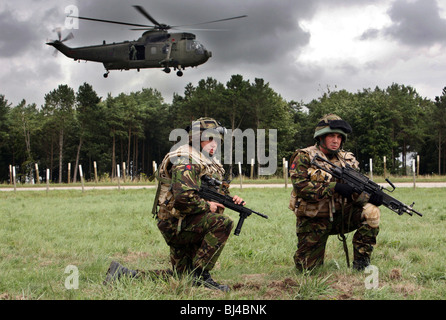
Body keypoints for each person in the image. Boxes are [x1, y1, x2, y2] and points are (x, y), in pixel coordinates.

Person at [105, 117, 243, 292]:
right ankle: (200, 276)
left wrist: (231, 200)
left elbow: (212, 193)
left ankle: (123, 274)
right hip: (177, 224)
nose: (213, 144)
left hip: (186, 222)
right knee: (223, 223)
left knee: (181, 277)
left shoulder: (204, 160)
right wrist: (209, 207)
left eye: (216, 140)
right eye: (209, 139)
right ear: (196, 138)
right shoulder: (186, 160)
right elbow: (183, 199)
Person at [288, 114, 382, 271]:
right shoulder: (304, 156)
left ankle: (361, 264)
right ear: (321, 137)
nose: (335, 140)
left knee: (371, 212)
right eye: (331, 135)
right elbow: (301, 187)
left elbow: (355, 193)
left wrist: (370, 197)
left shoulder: (347, 159)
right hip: (314, 220)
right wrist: (334, 187)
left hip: (342, 216)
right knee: (308, 271)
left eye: (339, 137)